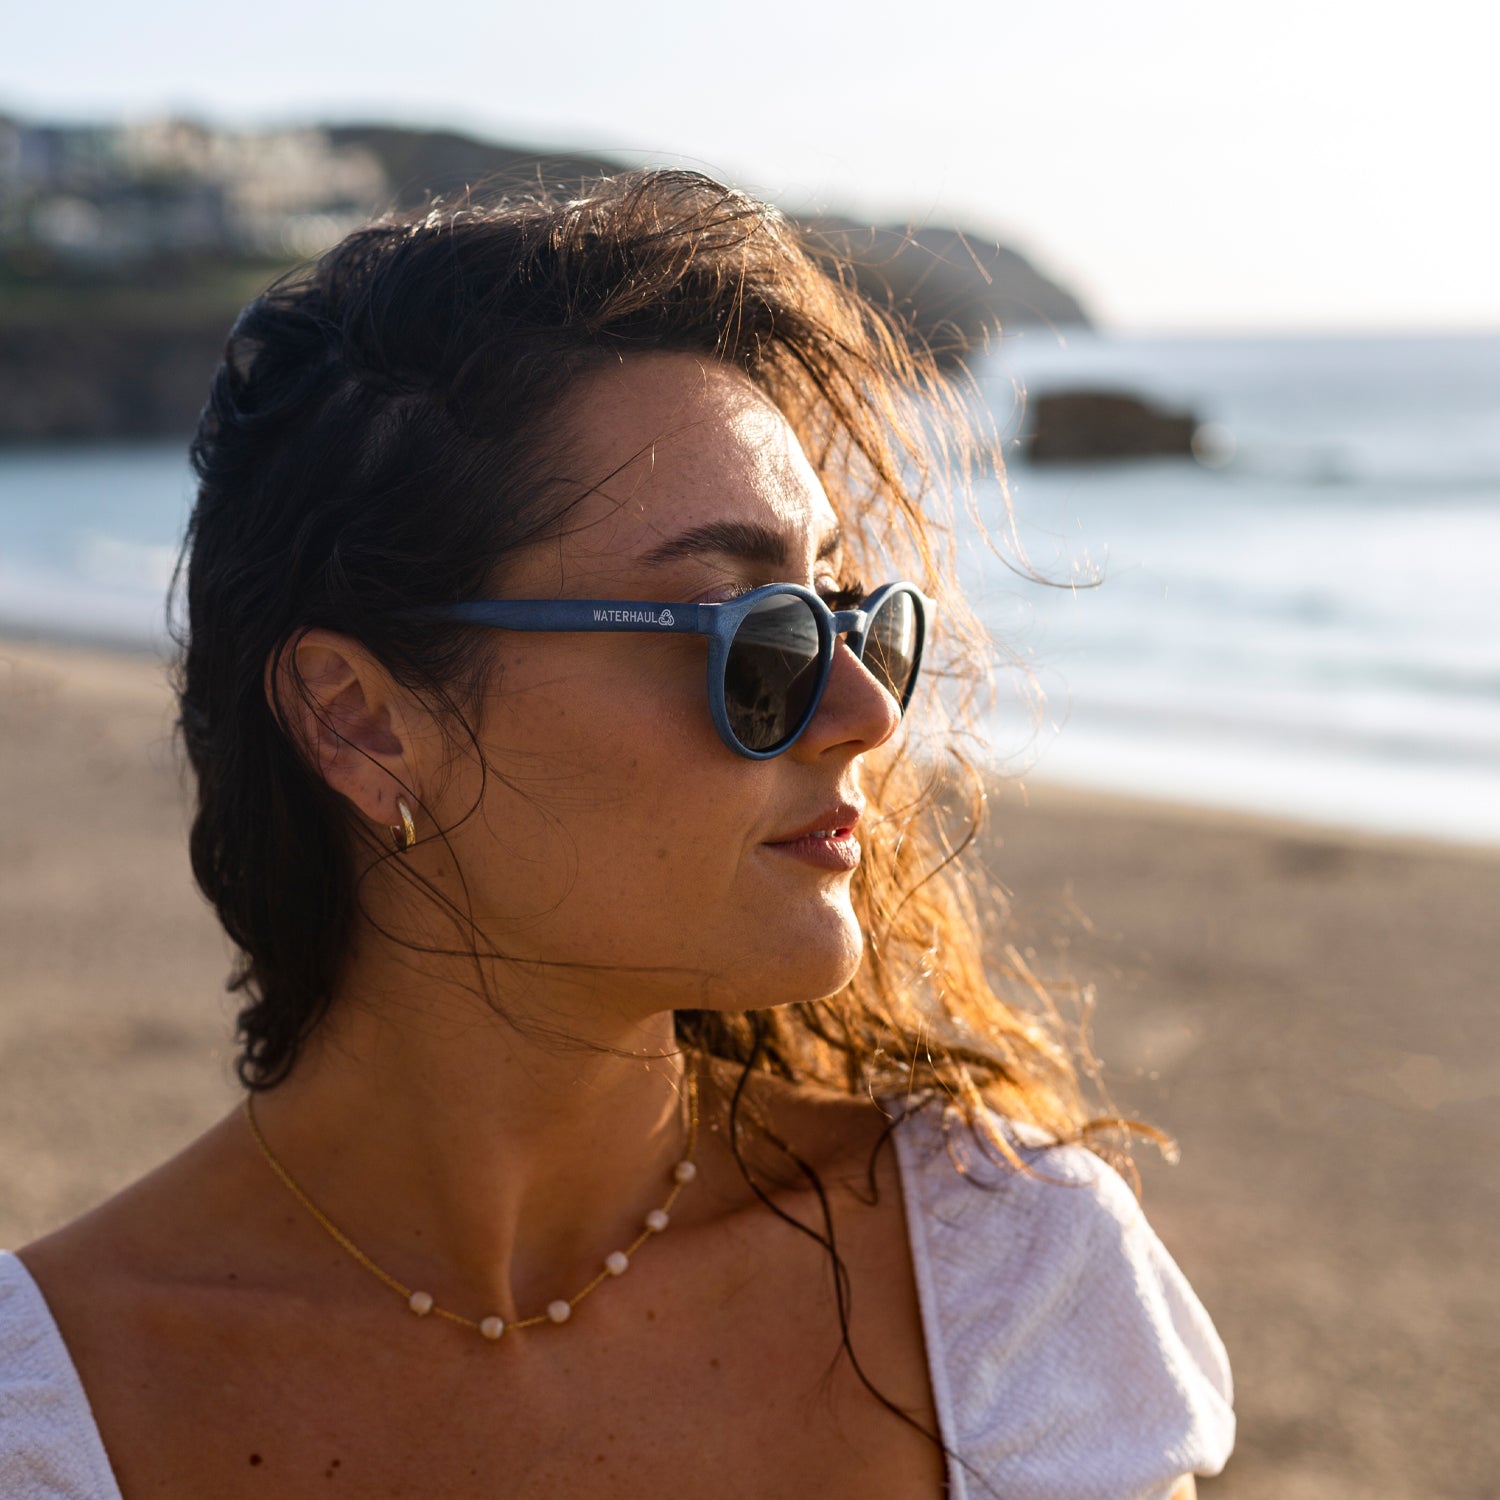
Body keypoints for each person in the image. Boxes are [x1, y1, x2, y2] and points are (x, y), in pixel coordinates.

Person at [1, 170, 1233, 1499]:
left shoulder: (1006, 1291)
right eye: (742, 633)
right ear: (357, 722)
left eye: (845, 614)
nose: (866, 712)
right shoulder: (58, 1420)